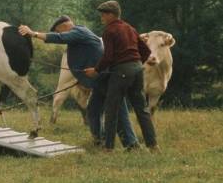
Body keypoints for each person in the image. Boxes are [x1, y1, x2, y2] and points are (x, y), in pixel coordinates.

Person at [19, 16, 139, 149]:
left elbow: (59, 38)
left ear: (65, 27)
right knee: (93, 111)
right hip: (99, 81)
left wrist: (33, 34)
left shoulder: (79, 32)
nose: (60, 34)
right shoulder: (77, 36)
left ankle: (131, 144)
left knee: (118, 111)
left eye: (59, 31)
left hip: (107, 79)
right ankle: (99, 140)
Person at [84, 1, 159, 152]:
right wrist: (136, 63)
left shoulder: (109, 31)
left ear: (112, 15)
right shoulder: (130, 28)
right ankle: (153, 146)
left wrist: (96, 71)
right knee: (142, 110)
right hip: (138, 71)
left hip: (121, 73)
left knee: (111, 110)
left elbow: (108, 57)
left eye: (104, 14)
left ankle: (108, 148)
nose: (102, 17)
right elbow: (145, 50)